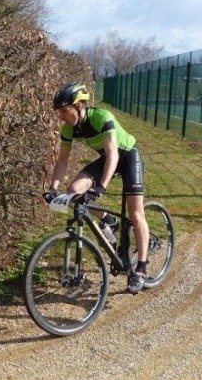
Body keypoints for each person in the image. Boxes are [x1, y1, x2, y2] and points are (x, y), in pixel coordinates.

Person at [43, 81, 150, 294]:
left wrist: (101, 186)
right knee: (75, 190)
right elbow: (63, 160)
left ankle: (141, 267)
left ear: (79, 106)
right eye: (59, 112)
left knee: (136, 213)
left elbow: (113, 154)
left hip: (127, 156)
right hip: (107, 158)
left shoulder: (102, 117)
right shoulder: (69, 129)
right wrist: (53, 188)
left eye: (64, 111)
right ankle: (108, 220)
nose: (61, 116)